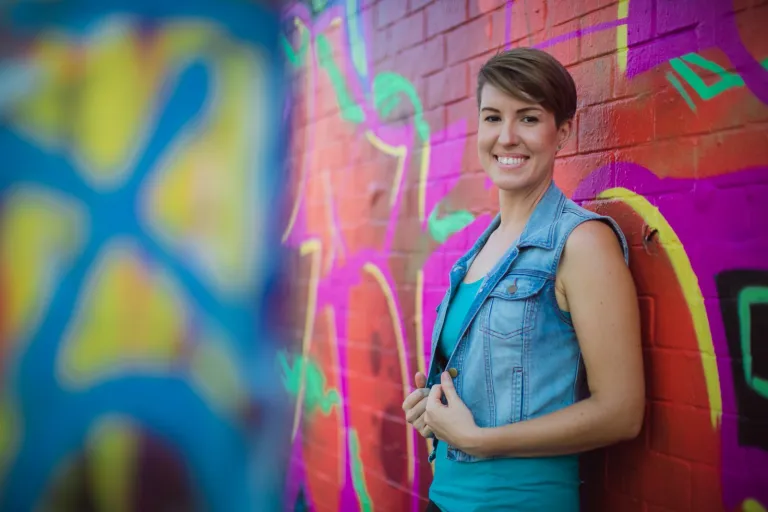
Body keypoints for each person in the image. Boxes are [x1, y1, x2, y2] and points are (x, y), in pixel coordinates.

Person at [402, 48, 645, 511]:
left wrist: (482, 440)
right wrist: (433, 408)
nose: (507, 137)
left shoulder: (582, 243)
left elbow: (622, 413)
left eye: (529, 119)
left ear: (563, 132)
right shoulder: (476, 252)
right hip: (443, 499)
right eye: (493, 117)